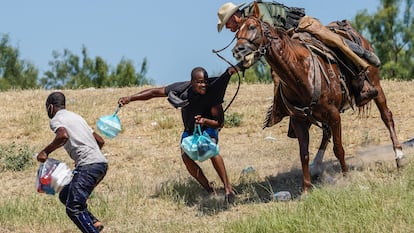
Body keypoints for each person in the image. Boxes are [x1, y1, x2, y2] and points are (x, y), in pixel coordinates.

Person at [217, 1, 380, 108]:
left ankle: (362, 62)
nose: (227, 27)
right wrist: (241, 64)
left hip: (301, 26)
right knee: (277, 72)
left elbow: (269, 37)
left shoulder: (256, 10)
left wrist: (243, 64)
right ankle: (286, 108)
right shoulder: (246, 27)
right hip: (288, 39)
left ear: (235, 16)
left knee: (332, 41)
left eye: (227, 23)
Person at [118, 66, 239, 202]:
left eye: (205, 81)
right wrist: (130, 98)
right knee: (186, 157)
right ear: (192, 82)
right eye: (199, 82)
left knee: (210, 149)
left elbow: (219, 123)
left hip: (208, 127)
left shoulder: (212, 95)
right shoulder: (181, 89)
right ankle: (209, 190)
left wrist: (204, 121)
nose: (203, 85)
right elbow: (154, 93)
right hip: (189, 130)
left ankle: (228, 189)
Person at [37, 91, 108, 233]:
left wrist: (45, 152)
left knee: (73, 208)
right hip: (101, 164)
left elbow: (62, 135)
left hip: (89, 165)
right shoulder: (77, 117)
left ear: (50, 107)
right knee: (66, 195)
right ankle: (93, 222)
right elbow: (100, 140)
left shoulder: (57, 119)